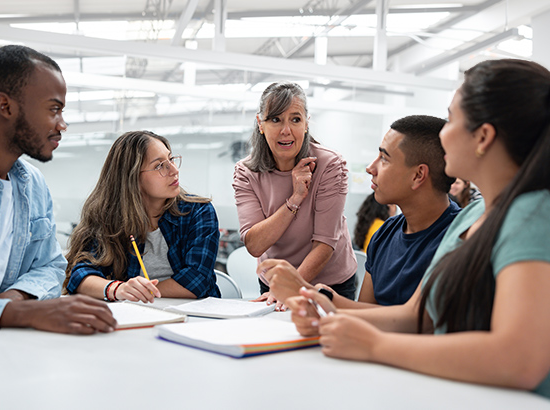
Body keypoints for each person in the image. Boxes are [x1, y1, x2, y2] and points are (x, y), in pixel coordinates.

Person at [285, 59, 550, 398]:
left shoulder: (533, 215)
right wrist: (330, 312)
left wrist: (377, 346)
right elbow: (416, 316)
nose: (443, 133)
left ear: (483, 137)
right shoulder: (473, 216)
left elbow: (520, 359)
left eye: (452, 119)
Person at [0, 45, 116, 383]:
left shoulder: (32, 184)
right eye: (54, 109)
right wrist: (15, 312)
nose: (62, 124)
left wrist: (16, 297)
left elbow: (51, 265)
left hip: (8, 347)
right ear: (5, 106)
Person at [264, 115, 460, 308]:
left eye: (384, 159)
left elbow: (418, 323)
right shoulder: (385, 234)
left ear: (418, 175)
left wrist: (323, 298)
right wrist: (317, 297)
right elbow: (366, 312)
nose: (370, 168)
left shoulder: (460, 239)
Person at [232, 81, 357, 307]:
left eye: (295, 119)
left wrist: (290, 286)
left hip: (330, 284)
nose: (286, 130)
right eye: (275, 119)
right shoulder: (246, 172)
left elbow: (325, 244)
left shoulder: (330, 165)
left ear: (307, 124)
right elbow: (255, 244)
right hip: (275, 283)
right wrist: (295, 198)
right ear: (260, 124)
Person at [64, 130, 220, 301]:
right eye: (159, 165)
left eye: (171, 159)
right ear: (132, 178)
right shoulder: (107, 216)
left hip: (196, 318)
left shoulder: (198, 211)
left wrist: (138, 292)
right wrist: (118, 289)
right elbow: (79, 275)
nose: (174, 170)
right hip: (134, 316)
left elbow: (196, 282)